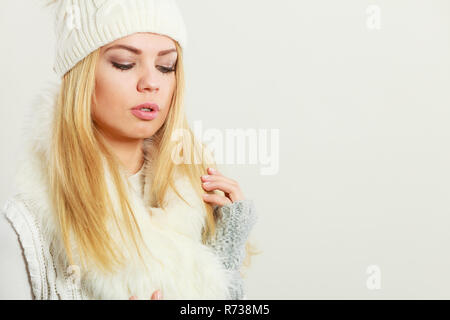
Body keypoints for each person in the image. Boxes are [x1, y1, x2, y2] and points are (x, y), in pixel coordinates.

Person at [0, 0, 259, 300]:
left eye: (166, 67)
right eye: (124, 63)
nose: (151, 83)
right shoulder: (24, 230)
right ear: (81, 76)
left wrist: (224, 262)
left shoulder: (203, 204)